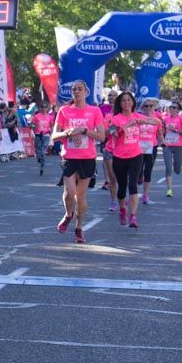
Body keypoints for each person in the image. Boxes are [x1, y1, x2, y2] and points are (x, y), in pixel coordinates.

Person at [51, 80, 105, 243]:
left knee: (80, 198)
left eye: (79, 89)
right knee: (69, 192)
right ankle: (68, 214)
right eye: (74, 89)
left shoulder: (94, 111)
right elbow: (54, 136)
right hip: (69, 157)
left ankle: (79, 227)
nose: (76, 92)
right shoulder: (64, 111)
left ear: (86, 92)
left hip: (87, 157)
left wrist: (84, 131)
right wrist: (67, 133)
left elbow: (102, 137)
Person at [107, 91, 159, 230]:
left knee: (133, 184)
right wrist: (127, 125)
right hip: (119, 156)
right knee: (122, 187)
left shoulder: (137, 116)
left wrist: (147, 120)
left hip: (136, 155)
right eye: (123, 101)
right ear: (120, 103)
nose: (126, 103)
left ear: (133, 102)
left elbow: (157, 122)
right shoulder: (115, 118)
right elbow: (112, 133)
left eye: (129, 100)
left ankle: (133, 216)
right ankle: (123, 209)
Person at [137, 100, 163, 204]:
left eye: (151, 106)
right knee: (137, 171)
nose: (149, 108)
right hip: (138, 147)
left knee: (148, 171)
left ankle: (145, 195)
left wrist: (163, 142)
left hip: (152, 147)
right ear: (142, 108)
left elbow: (160, 134)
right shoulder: (137, 118)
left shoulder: (157, 121)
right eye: (146, 106)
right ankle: (133, 193)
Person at [161, 102, 182, 198]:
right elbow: (162, 132)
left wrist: (175, 129)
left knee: (177, 170)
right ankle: (169, 189)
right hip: (167, 145)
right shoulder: (165, 119)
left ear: (178, 110)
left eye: (174, 107)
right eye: (170, 107)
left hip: (179, 146)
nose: (171, 109)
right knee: (168, 166)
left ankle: (178, 166)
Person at [30, 106, 53, 176]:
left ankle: (42, 168)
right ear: (40, 108)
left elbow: (52, 125)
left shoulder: (50, 117)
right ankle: (39, 158)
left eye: (45, 107)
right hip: (38, 135)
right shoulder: (36, 116)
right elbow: (31, 124)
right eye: (42, 107)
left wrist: (51, 131)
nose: (43, 108)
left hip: (46, 135)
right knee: (38, 150)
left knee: (43, 152)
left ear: (47, 109)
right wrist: (33, 126)